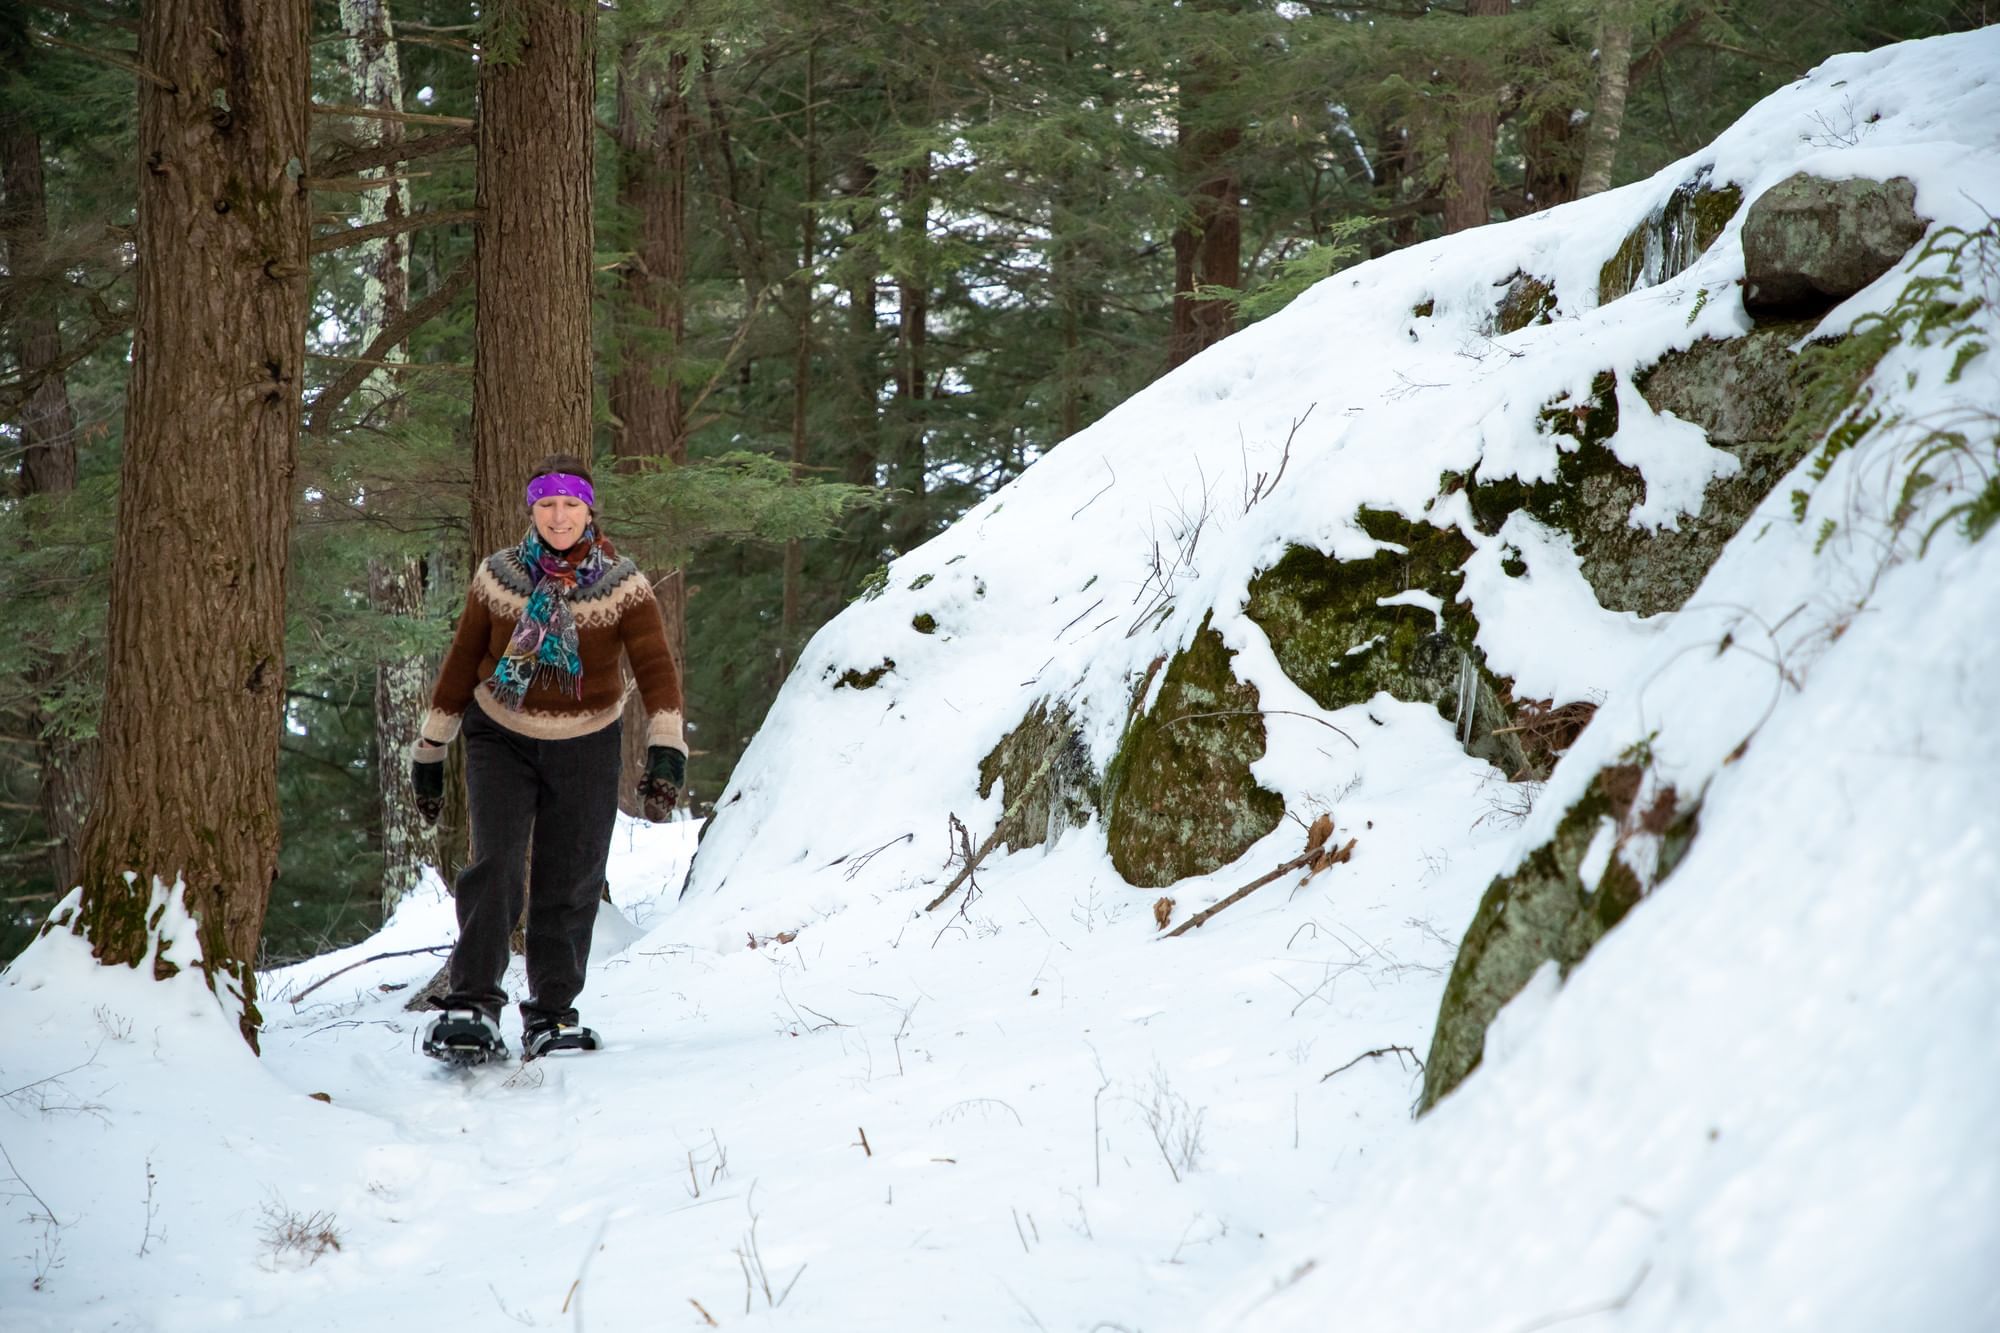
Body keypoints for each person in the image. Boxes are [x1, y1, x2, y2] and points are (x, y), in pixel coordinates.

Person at [408, 454, 686, 1063]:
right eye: (547, 505)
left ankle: (552, 1014)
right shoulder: (499, 576)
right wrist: (432, 744)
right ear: (531, 510)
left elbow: (656, 667)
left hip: (589, 741)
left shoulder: (622, 583)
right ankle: (472, 1005)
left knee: (571, 875)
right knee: (497, 865)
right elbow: (461, 659)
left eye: (571, 504)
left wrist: (666, 745)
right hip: (499, 733)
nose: (559, 516)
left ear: (589, 509)